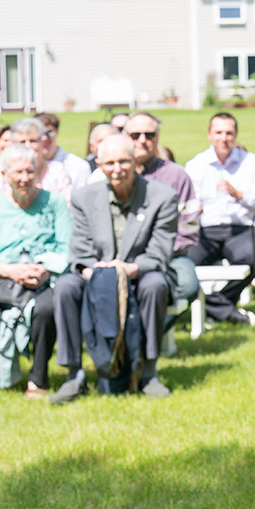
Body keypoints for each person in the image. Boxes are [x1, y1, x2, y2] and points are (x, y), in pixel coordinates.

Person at [50, 134, 179, 403]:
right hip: (97, 274)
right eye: (109, 163)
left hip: (139, 272)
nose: (117, 169)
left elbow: (159, 252)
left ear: (136, 163)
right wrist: (97, 272)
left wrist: (127, 269)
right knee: (64, 287)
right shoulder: (84, 197)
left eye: (123, 162)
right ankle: (74, 375)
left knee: (156, 285)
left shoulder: (162, 197)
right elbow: (80, 252)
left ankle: (150, 373)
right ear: (98, 163)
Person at [0, 144, 71, 398]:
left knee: (45, 311)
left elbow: (66, 246)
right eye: (18, 173)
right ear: (4, 175)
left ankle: (38, 378)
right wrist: (10, 271)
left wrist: (45, 270)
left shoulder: (54, 203)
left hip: (45, 278)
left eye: (29, 171)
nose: (24, 178)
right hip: (4, 277)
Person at [184, 112, 255, 324]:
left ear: (235, 135)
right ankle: (224, 311)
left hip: (241, 229)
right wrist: (195, 209)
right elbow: (185, 204)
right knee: (185, 263)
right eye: (218, 132)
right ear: (209, 135)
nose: (223, 138)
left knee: (252, 257)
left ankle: (213, 306)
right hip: (206, 231)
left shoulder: (252, 163)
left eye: (228, 133)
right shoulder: (196, 165)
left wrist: (238, 195)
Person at [126, 112, 201, 328]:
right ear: (125, 137)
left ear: (157, 137)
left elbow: (189, 226)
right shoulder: (115, 173)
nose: (142, 140)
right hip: (125, 256)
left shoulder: (177, 176)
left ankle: (147, 335)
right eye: (135, 135)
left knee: (188, 286)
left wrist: (159, 254)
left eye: (149, 135)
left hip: (171, 257)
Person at [37, 112, 93, 191]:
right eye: (40, 133)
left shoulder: (78, 166)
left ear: (57, 132)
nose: (44, 138)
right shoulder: (27, 167)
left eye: (49, 132)